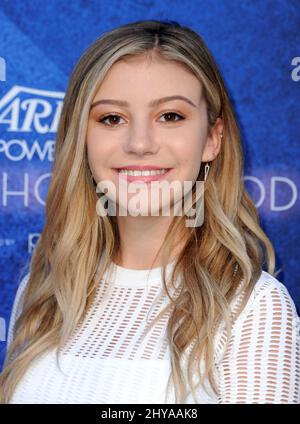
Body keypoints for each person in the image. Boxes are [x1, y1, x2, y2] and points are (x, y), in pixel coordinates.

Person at [0, 19, 299, 404]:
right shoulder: (44, 294)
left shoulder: (253, 309)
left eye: (170, 116)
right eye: (112, 118)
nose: (139, 143)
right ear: (82, 139)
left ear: (212, 139)